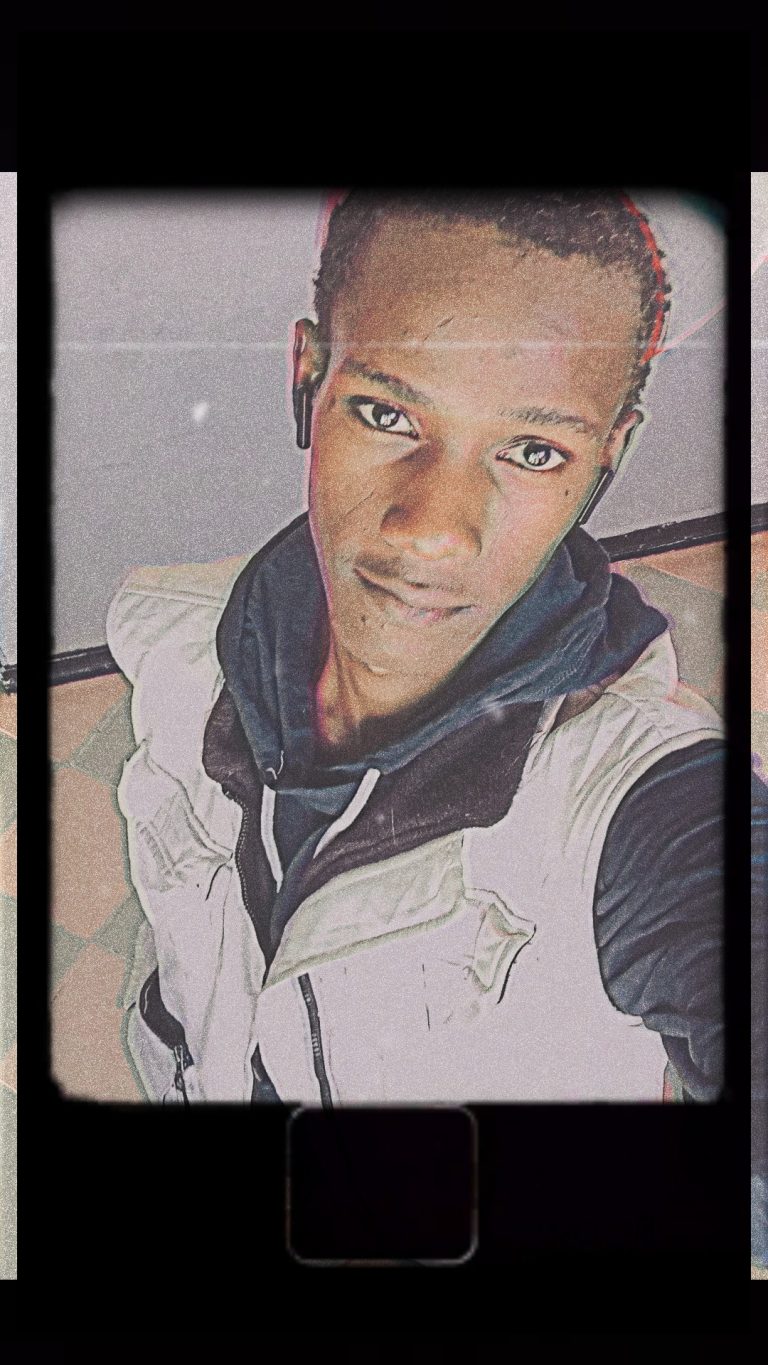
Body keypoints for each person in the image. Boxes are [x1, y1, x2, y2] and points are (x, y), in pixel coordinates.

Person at [105, 191, 765, 1252]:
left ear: (608, 458)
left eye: (534, 451)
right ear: (307, 378)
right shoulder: (175, 634)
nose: (435, 533)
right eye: (388, 414)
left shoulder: (635, 799)